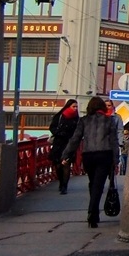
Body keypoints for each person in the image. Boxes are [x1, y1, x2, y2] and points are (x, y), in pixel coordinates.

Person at [61, 96, 120, 228]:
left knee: (92, 183)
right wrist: (116, 159)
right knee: (98, 185)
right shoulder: (108, 121)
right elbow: (114, 141)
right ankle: (92, 213)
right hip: (104, 155)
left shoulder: (84, 120)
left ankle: (93, 212)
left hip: (88, 155)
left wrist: (66, 154)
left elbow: (75, 139)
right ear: (103, 108)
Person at [48, 99, 79, 194]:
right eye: (73, 106)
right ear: (68, 106)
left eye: (76, 107)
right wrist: (58, 133)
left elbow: (78, 131)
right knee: (58, 165)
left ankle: (64, 186)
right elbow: (52, 127)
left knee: (66, 164)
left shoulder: (76, 118)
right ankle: (61, 182)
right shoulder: (60, 116)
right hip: (58, 143)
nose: (75, 108)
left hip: (69, 144)